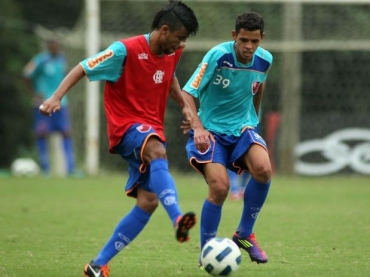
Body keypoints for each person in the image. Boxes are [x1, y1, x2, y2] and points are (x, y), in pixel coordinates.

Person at [38, 1, 199, 276]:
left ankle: (97, 266)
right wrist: (56, 96)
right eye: (180, 37)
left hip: (151, 129)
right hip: (126, 128)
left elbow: (169, 76)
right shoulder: (124, 50)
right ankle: (177, 220)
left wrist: (183, 104)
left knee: (148, 202)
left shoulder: (173, 51)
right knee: (158, 153)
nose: (182, 44)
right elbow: (83, 66)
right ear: (164, 30)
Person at [181, 12, 273, 265]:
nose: (249, 46)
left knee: (264, 170)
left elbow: (258, 87)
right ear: (234, 36)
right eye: (244, 40)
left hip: (243, 128)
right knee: (220, 188)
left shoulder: (265, 60)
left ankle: (244, 234)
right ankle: (207, 249)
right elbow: (188, 93)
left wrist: (253, 120)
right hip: (210, 131)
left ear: (262, 38)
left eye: (254, 41)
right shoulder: (217, 56)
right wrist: (197, 127)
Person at [23, 39, 76, 176]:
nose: (56, 48)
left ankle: (71, 169)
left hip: (61, 103)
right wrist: (34, 93)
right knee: (42, 134)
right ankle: (45, 169)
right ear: (49, 47)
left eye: (57, 46)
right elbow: (26, 74)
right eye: (53, 46)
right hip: (44, 103)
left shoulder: (62, 59)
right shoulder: (40, 60)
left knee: (66, 132)